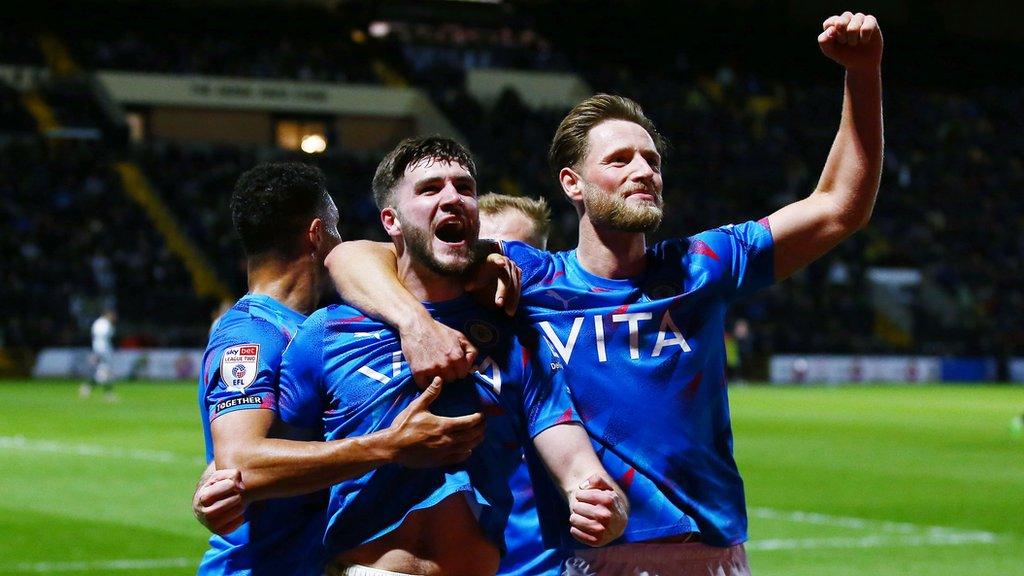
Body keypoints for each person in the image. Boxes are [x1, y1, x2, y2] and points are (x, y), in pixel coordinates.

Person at [324, 12, 884, 575]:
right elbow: (354, 254)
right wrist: (412, 321)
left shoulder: (702, 265)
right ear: (574, 184)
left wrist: (863, 74)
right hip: (595, 559)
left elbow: (840, 205)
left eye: (652, 161)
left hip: (710, 558)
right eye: (619, 160)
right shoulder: (528, 276)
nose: (643, 171)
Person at [276, 136, 628, 576]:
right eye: (430, 189)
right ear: (392, 220)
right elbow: (275, 463)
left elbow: (569, 451)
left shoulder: (516, 337)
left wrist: (596, 498)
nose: (453, 198)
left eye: (464, 187)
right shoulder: (328, 333)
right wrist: (383, 448)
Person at [195, 162, 486, 576]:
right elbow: (240, 460)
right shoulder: (250, 336)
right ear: (317, 234)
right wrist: (388, 445)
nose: (343, 241)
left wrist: (486, 257)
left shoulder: (323, 322)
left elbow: (388, 253)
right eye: (336, 229)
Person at [80, 307, 117, 401]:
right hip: (103, 350)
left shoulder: (97, 323)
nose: (114, 317)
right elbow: (104, 336)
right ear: (107, 314)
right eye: (112, 315)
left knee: (102, 372)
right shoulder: (105, 324)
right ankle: (108, 394)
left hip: (98, 349)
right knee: (106, 372)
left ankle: (87, 388)